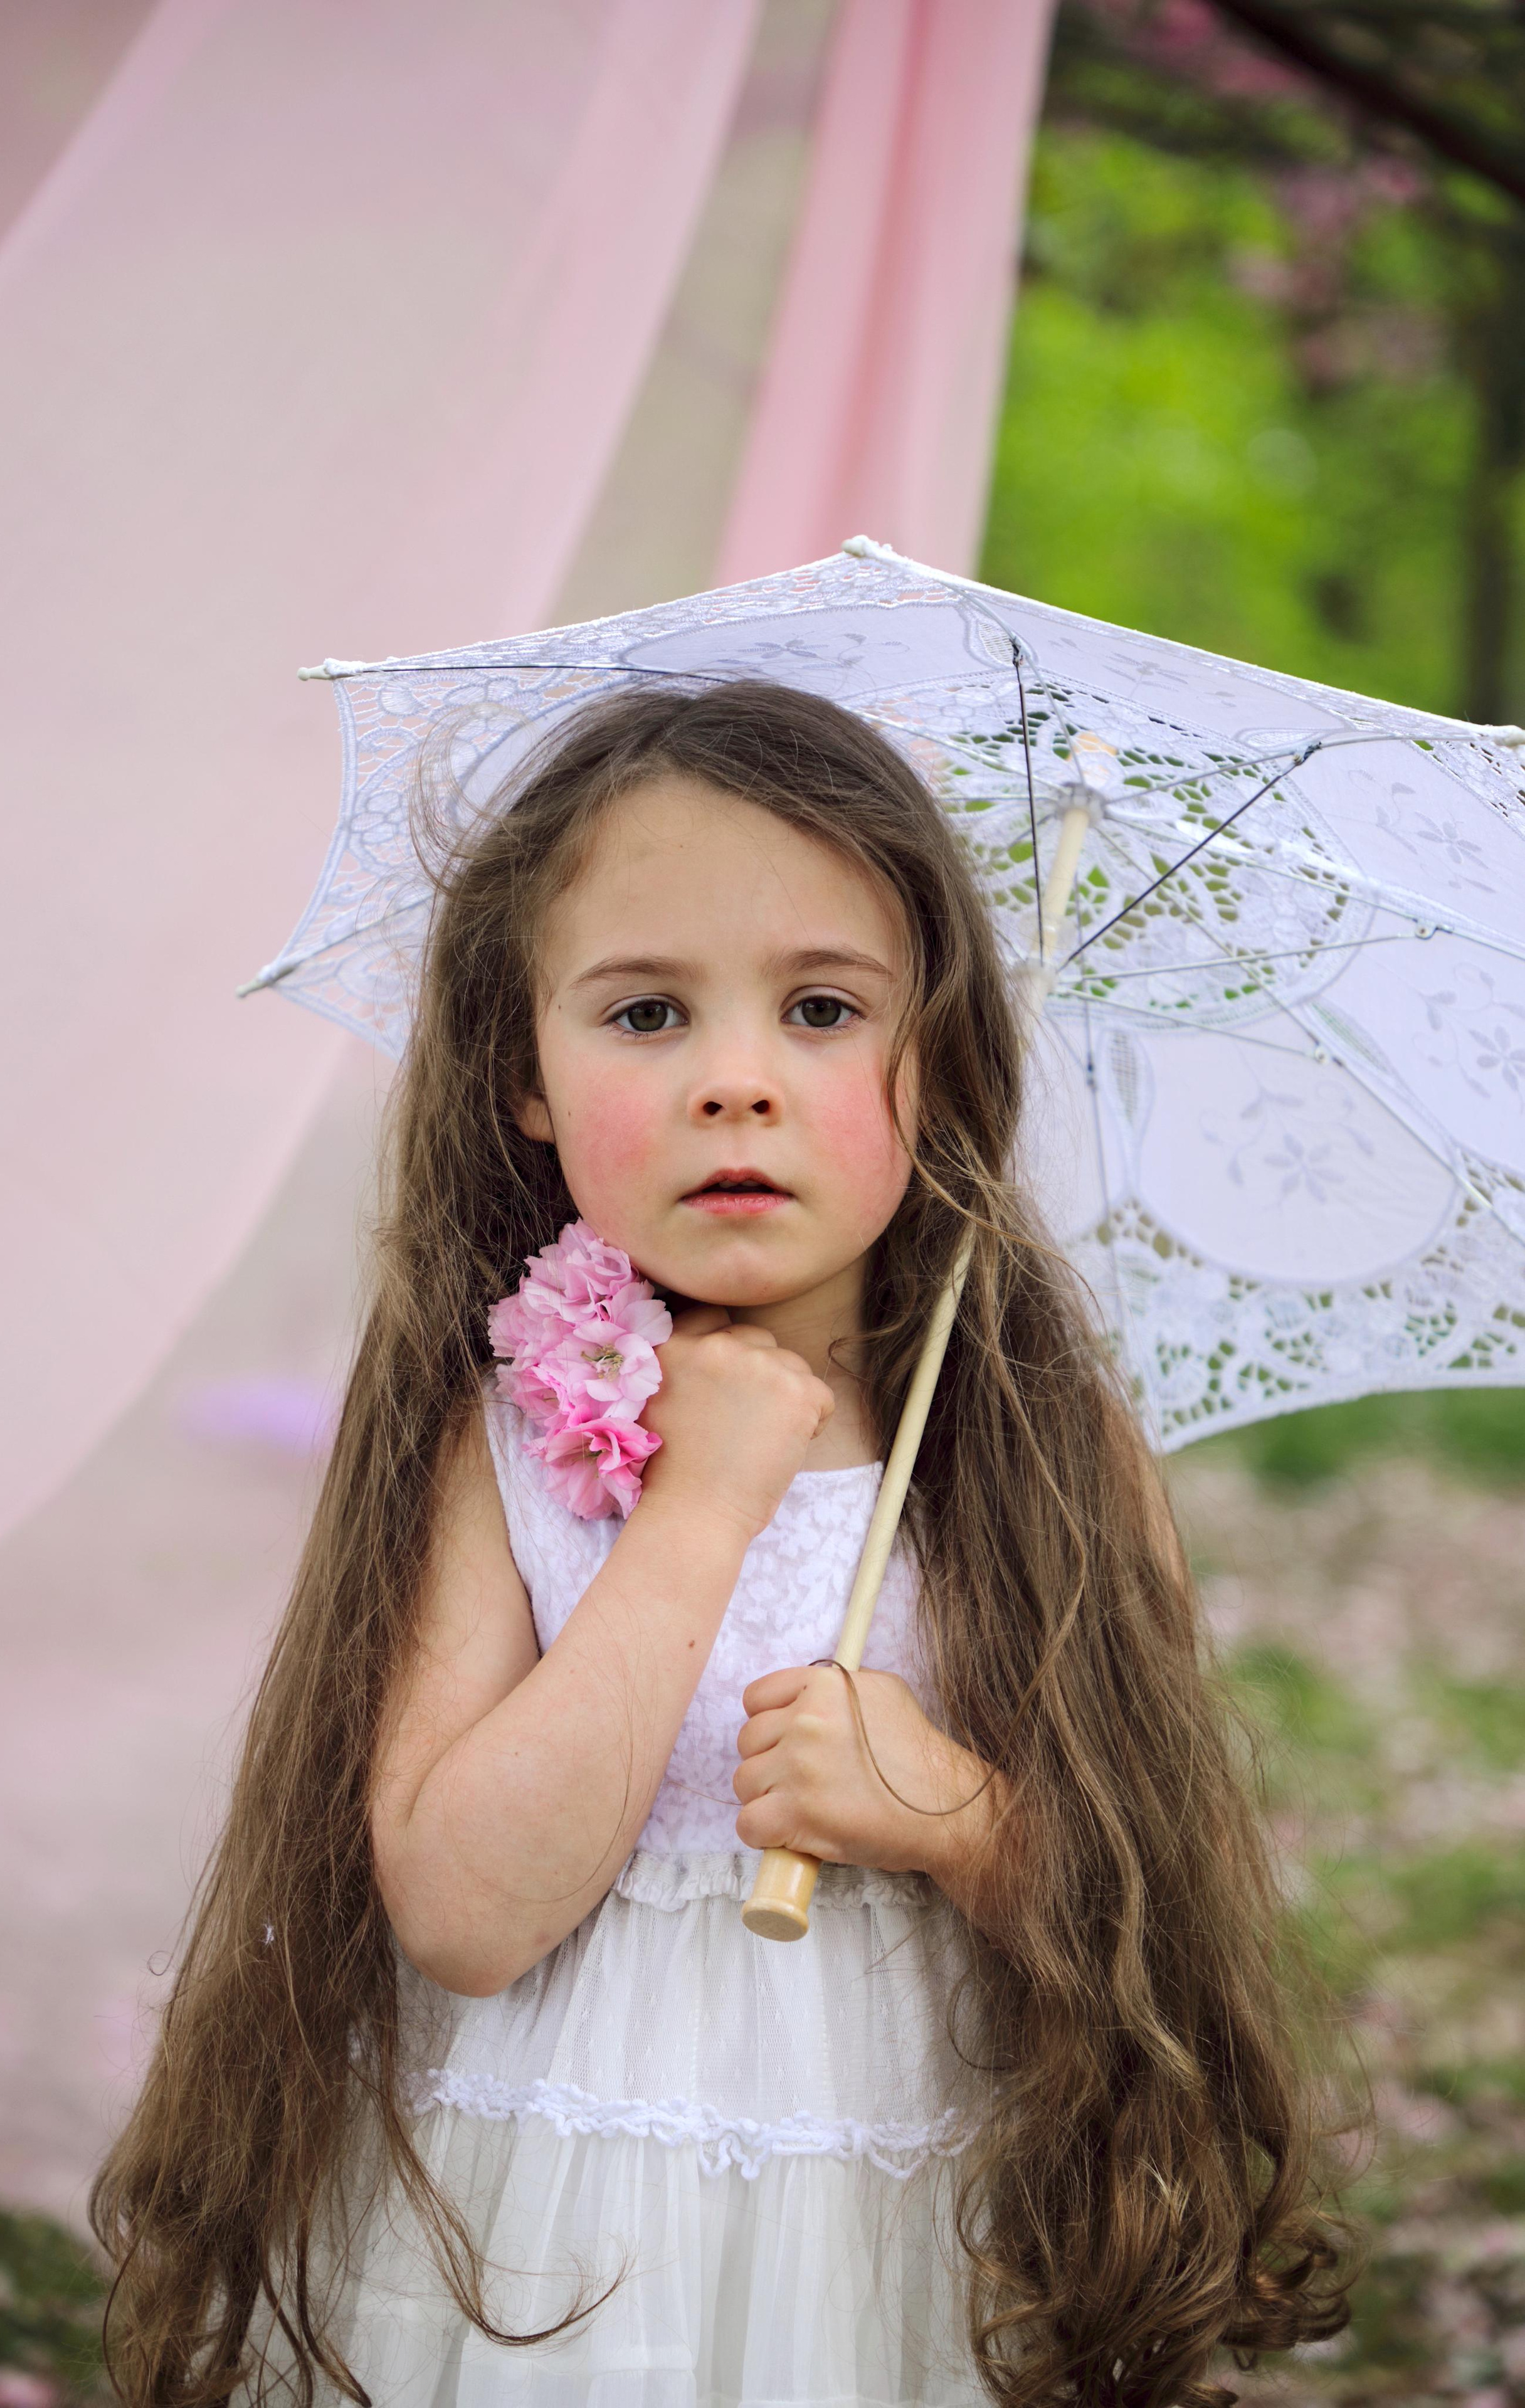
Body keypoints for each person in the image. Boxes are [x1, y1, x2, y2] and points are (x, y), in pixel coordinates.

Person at [93, 682, 1351, 2407]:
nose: (737, 1083)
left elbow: (1154, 1913)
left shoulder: (1042, 1461)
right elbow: (462, 1912)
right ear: (520, 1075)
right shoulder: (511, 1448)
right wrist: (698, 1509)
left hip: (913, 2213)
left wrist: (958, 1816)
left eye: (824, 1009)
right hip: (547, 2226)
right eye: (646, 1014)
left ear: (946, 1061)